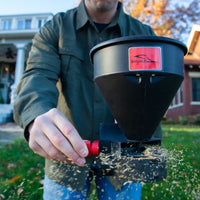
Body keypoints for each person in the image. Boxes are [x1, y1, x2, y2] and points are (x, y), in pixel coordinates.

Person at [14, 0, 161, 199]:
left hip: (126, 153)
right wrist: (36, 113)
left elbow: (157, 86)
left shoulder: (143, 34)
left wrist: (143, 110)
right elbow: (37, 75)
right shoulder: (56, 28)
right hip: (66, 150)